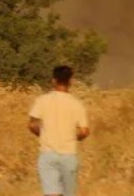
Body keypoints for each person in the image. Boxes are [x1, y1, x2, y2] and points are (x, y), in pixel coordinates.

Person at [29, 65, 90, 196]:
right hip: (68, 155)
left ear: (53, 80)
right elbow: (84, 131)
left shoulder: (42, 100)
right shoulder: (77, 104)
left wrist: (42, 134)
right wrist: (74, 137)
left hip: (48, 154)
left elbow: (32, 124)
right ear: (71, 81)